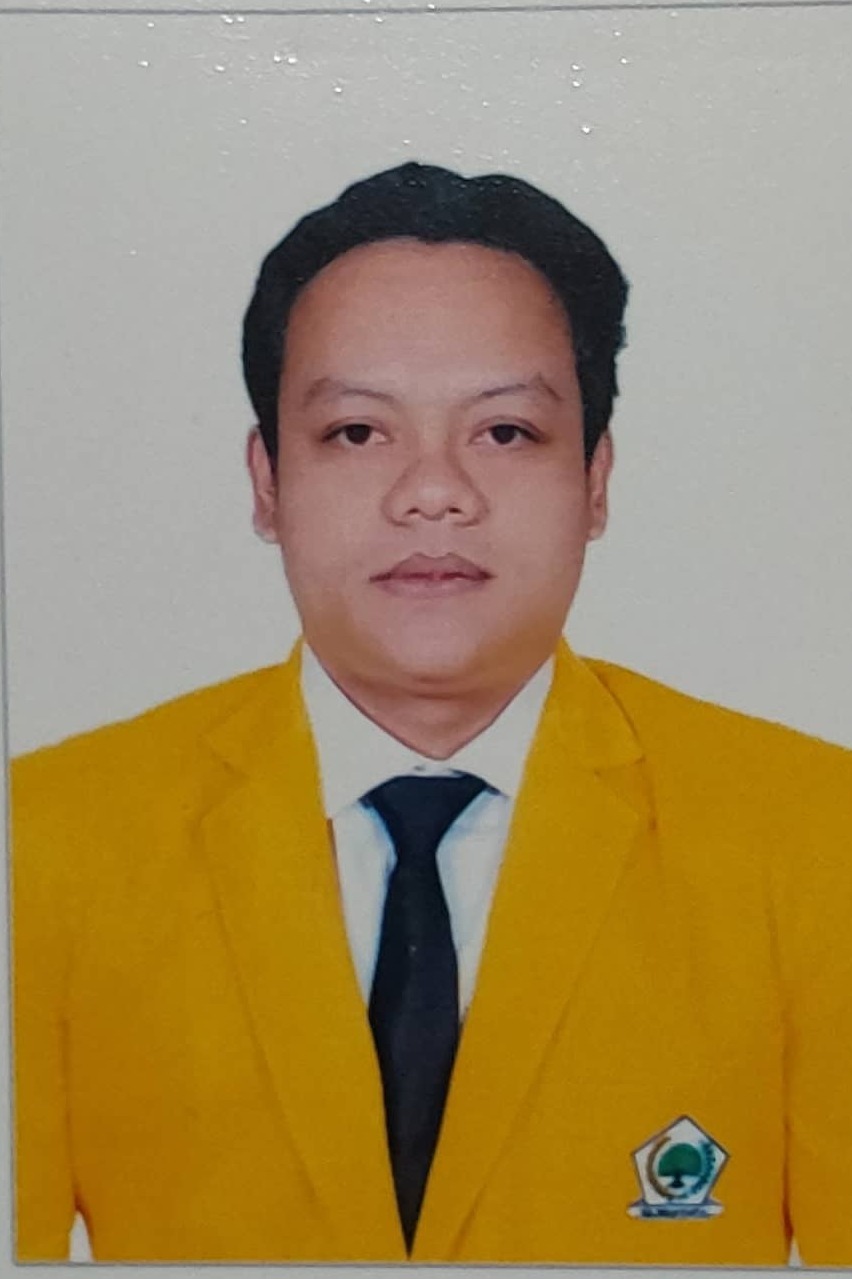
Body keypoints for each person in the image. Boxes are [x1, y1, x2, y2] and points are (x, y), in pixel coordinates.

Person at [10, 161, 852, 1267]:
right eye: (359, 433)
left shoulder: (816, 836)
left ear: (596, 480)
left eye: (504, 432)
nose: (433, 491)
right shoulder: (47, 842)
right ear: (267, 481)